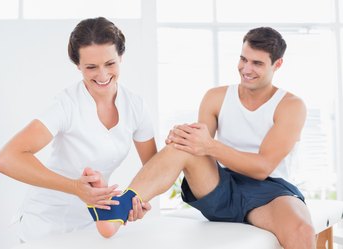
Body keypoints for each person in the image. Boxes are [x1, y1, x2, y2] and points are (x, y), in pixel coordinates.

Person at [89, 27, 316, 249]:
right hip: (221, 186)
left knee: (302, 230)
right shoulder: (216, 97)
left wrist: (208, 145)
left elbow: (262, 168)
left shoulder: (290, 106)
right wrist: (184, 137)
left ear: (277, 64)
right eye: (243, 59)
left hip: (270, 192)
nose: (246, 69)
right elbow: (198, 147)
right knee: (183, 145)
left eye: (257, 63)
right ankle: (119, 209)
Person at [0, 17, 157, 242]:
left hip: (94, 224)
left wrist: (137, 201)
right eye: (91, 67)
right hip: (46, 224)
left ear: (121, 57)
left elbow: (154, 169)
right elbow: (5, 159)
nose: (102, 75)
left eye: (110, 64)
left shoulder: (136, 106)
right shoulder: (66, 105)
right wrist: (74, 188)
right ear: (77, 65)